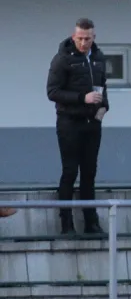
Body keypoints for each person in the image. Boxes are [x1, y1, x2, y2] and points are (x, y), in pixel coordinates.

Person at [46, 17, 109, 235]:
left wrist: (102, 111)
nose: (84, 43)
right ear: (74, 37)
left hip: (93, 124)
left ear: (94, 38)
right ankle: (66, 223)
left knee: (89, 173)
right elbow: (53, 92)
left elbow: (103, 88)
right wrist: (82, 98)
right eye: (80, 39)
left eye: (88, 39)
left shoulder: (98, 58)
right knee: (70, 171)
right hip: (69, 123)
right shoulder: (62, 59)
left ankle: (91, 222)